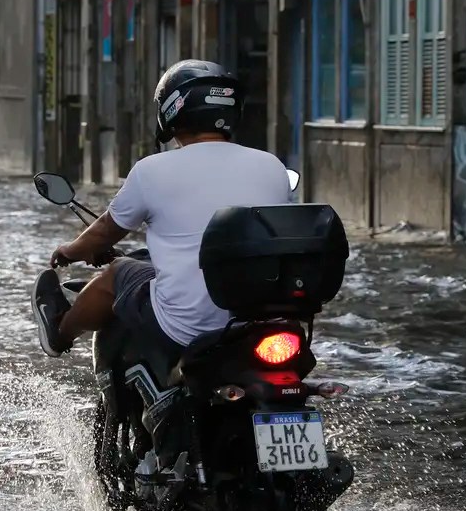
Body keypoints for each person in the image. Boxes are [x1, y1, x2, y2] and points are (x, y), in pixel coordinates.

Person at [32, 59, 293, 359]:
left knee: (119, 273)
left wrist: (70, 251)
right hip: (259, 322)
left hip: (184, 328)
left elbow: (105, 230)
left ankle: (59, 333)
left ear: (172, 110)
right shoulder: (272, 166)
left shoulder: (152, 170)